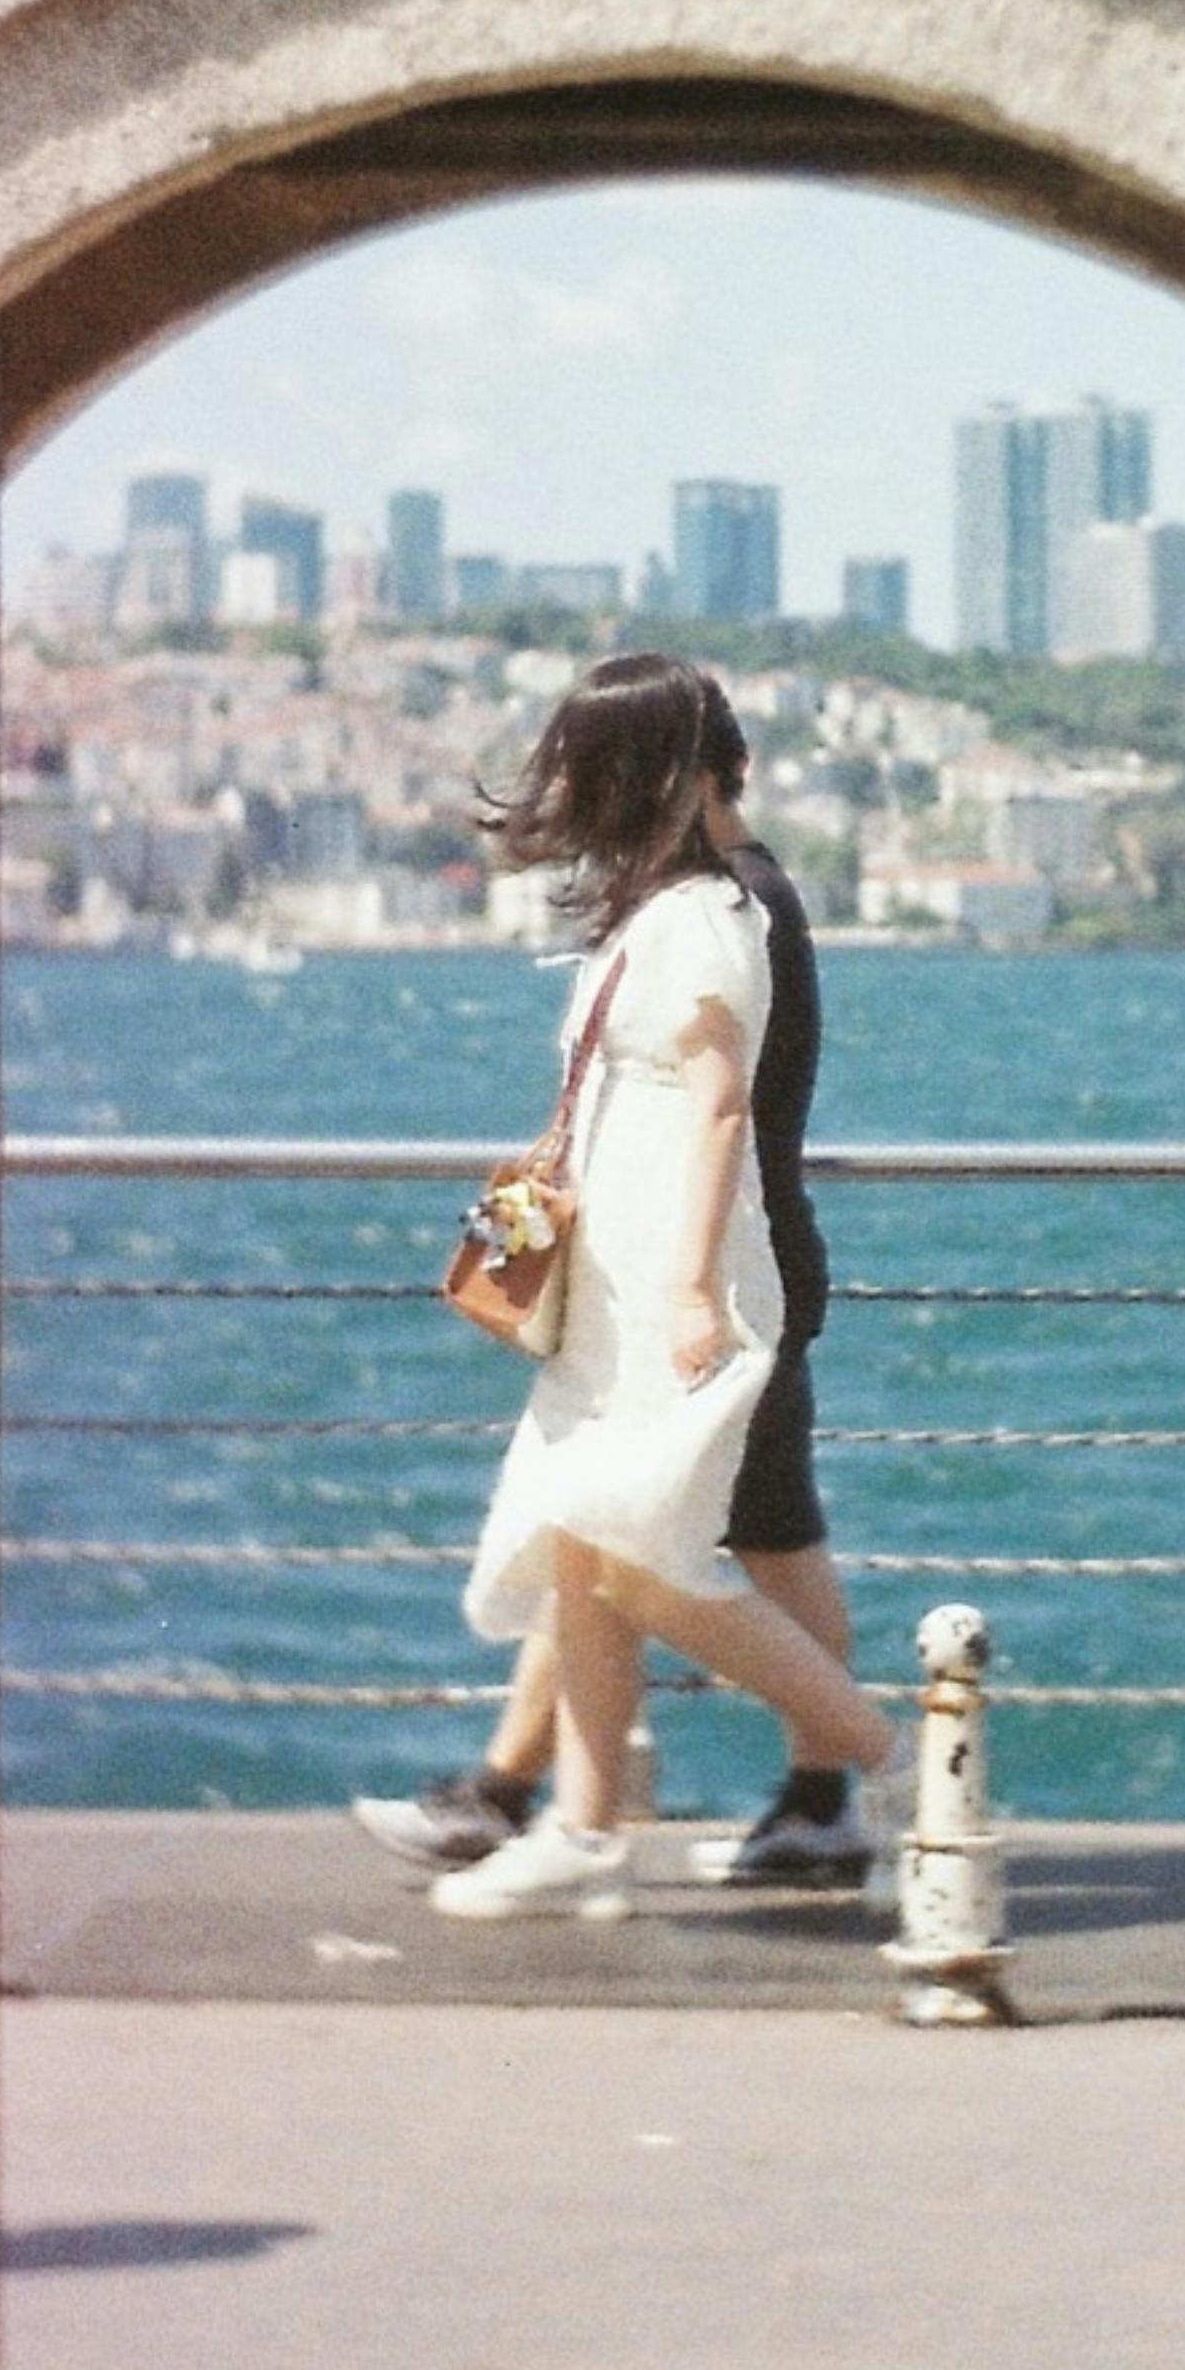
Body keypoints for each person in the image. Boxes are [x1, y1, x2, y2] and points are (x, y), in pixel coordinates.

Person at [381, 650, 902, 1924]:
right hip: (635, 1291)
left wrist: (691, 1293)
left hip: (686, 1292)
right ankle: (584, 1821)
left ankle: (886, 1765)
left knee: (654, 1557)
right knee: (598, 1543)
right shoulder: (671, 910)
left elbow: (723, 1111)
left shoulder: (719, 913)